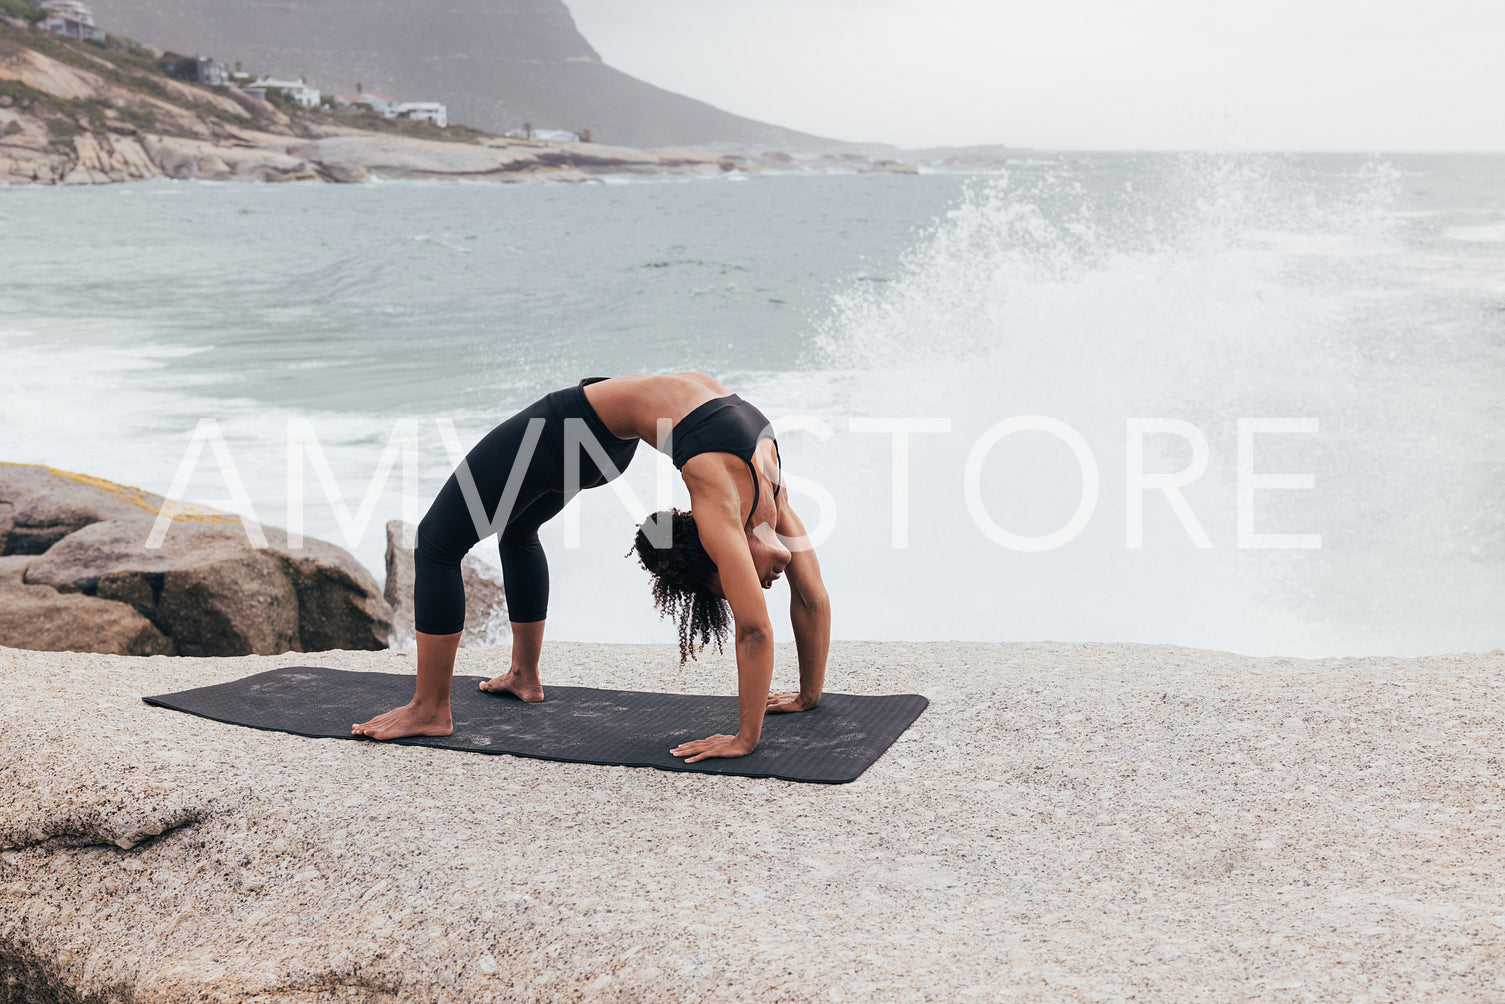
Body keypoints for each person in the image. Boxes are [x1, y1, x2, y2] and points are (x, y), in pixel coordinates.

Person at [351, 372, 831, 763]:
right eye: (734, 582)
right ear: (720, 550)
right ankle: (520, 677)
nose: (757, 586)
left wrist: (800, 699)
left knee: (437, 543)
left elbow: (810, 597)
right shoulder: (737, 495)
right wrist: (748, 734)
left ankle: (431, 709)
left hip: (588, 432)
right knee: (498, 533)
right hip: (592, 438)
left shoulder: (761, 493)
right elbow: (756, 631)